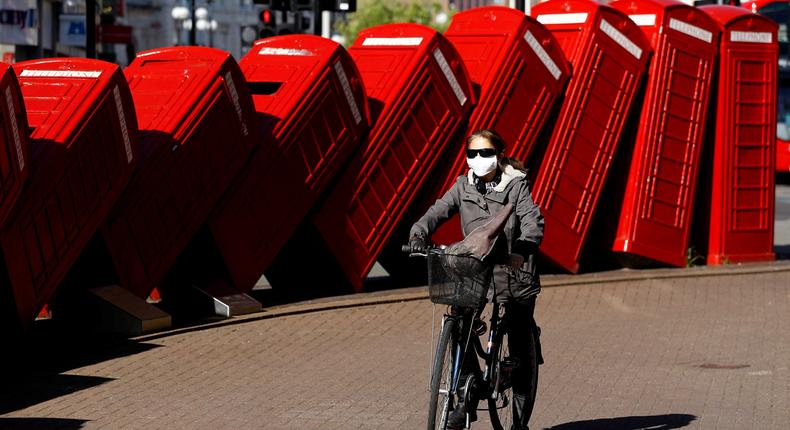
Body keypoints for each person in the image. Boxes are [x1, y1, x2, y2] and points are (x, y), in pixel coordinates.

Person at [409, 129, 544, 430]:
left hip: (514, 270)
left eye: (486, 153)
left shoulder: (516, 186)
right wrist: (418, 232)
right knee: (461, 323)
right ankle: (466, 400)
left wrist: (522, 251)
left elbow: (532, 221)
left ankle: (519, 419)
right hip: (477, 269)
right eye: (473, 154)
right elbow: (436, 211)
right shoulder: (461, 186)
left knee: (519, 336)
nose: (479, 160)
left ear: (499, 154)